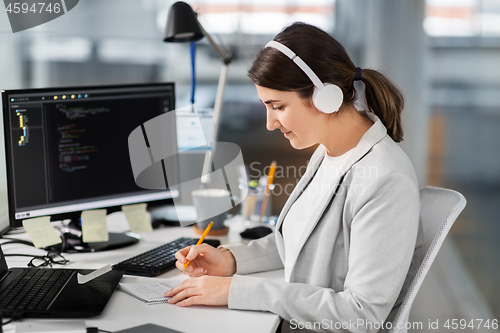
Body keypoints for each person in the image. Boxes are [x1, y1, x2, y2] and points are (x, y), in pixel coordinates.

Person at [164, 22, 423, 333]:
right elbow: (301, 242)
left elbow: (361, 315)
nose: (270, 123)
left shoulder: (385, 179)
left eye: (278, 107)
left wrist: (236, 291)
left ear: (325, 96)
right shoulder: (330, 151)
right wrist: (231, 260)